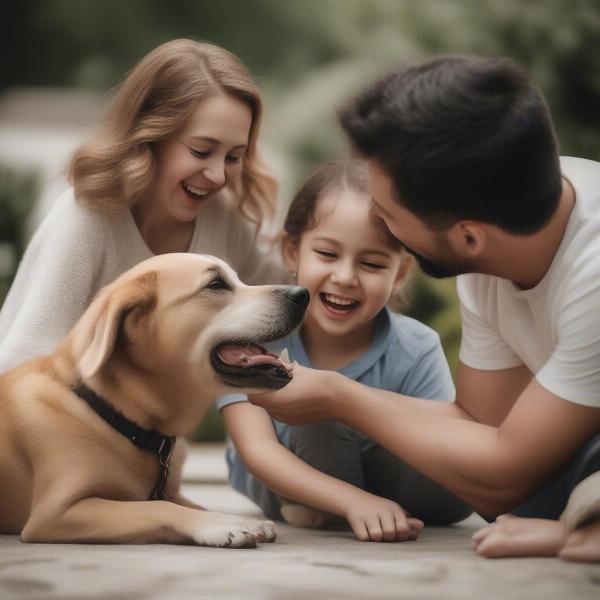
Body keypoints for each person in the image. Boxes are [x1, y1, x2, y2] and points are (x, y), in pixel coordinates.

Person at [249, 56, 600, 561]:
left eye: (389, 217)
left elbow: (501, 478)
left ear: (468, 237)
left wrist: (340, 396)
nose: (383, 228)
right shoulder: (499, 218)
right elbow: (483, 435)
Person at [216, 159, 472, 543]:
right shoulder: (253, 338)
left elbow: (442, 442)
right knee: (321, 406)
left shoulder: (417, 346)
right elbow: (258, 451)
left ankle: (375, 507)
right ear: (292, 252)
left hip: (385, 475)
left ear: (399, 274)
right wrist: (354, 501)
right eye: (328, 254)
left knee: (457, 480)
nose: (346, 277)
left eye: (371, 263)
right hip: (288, 477)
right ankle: (337, 505)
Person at [0, 39, 286, 373]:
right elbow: (24, 362)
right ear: (150, 137)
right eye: (201, 151)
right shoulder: (87, 216)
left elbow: (282, 305)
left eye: (234, 156)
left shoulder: (225, 218)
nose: (218, 175)